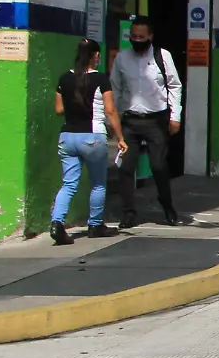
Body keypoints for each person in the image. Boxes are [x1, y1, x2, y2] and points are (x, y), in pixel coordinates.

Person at [110, 16, 188, 229]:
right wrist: (113, 119)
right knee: (126, 168)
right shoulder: (122, 59)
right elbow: (115, 90)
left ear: (150, 37)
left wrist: (175, 117)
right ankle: (128, 213)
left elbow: (175, 86)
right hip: (130, 120)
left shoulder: (162, 57)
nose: (137, 40)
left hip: (156, 119)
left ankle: (167, 205)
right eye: (133, 36)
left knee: (158, 165)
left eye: (141, 37)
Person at [51, 39, 125, 244]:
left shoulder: (64, 79)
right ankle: (95, 225)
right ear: (95, 56)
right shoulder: (101, 80)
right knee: (98, 183)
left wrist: (74, 103)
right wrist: (120, 138)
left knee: (69, 183)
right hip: (93, 136)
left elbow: (59, 110)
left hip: (67, 137)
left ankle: (57, 222)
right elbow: (110, 111)